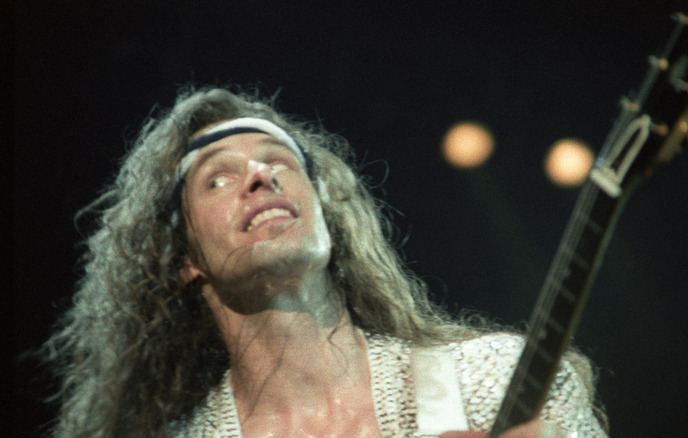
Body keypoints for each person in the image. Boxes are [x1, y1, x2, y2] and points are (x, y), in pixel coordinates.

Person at [41, 87, 609, 437]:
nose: (260, 176)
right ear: (185, 259)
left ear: (328, 220)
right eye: (217, 177)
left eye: (279, 162)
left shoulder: (494, 379)